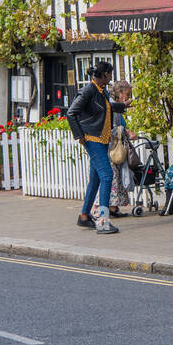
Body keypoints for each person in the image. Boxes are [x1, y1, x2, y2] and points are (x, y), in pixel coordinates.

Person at [67, 60, 126, 234]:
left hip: (101, 139)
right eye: (110, 74)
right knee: (107, 175)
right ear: (105, 74)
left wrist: (124, 106)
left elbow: (109, 107)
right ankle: (103, 221)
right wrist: (79, 136)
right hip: (92, 138)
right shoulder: (88, 90)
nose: (111, 77)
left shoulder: (102, 91)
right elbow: (71, 113)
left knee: (95, 180)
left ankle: (84, 216)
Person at [108, 79, 135, 217]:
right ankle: (101, 208)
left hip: (116, 146)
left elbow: (122, 123)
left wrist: (128, 131)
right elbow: (111, 127)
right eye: (127, 94)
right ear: (119, 92)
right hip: (110, 147)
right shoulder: (111, 106)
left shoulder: (117, 107)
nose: (129, 97)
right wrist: (126, 131)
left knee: (117, 177)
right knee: (112, 177)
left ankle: (113, 208)